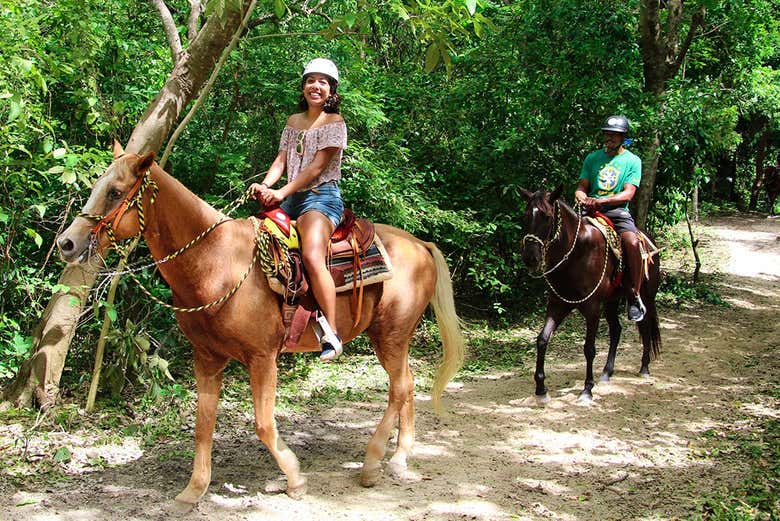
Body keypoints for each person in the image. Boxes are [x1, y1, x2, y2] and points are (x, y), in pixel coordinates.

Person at [250, 58, 347, 360]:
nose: (315, 86)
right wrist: (266, 186)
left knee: (311, 254)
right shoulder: (293, 121)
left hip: (321, 197)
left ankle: (331, 332)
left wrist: (280, 192)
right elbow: (281, 161)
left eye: (323, 82)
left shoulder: (335, 124)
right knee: (254, 243)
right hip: (290, 196)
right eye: (310, 80)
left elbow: (317, 167)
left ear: (332, 90)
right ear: (303, 86)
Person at [574, 115, 646, 322]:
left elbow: (628, 193)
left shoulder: (632, 161)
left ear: (623, 137)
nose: (609, 138)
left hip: (616, 211)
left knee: (632, 242)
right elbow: (582, 186)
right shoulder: (592, 158)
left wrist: (603, 202)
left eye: (614, 135)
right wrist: (582, 197)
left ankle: (633, 294)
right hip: (590, 208)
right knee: (565, 233)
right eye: (607, 134)